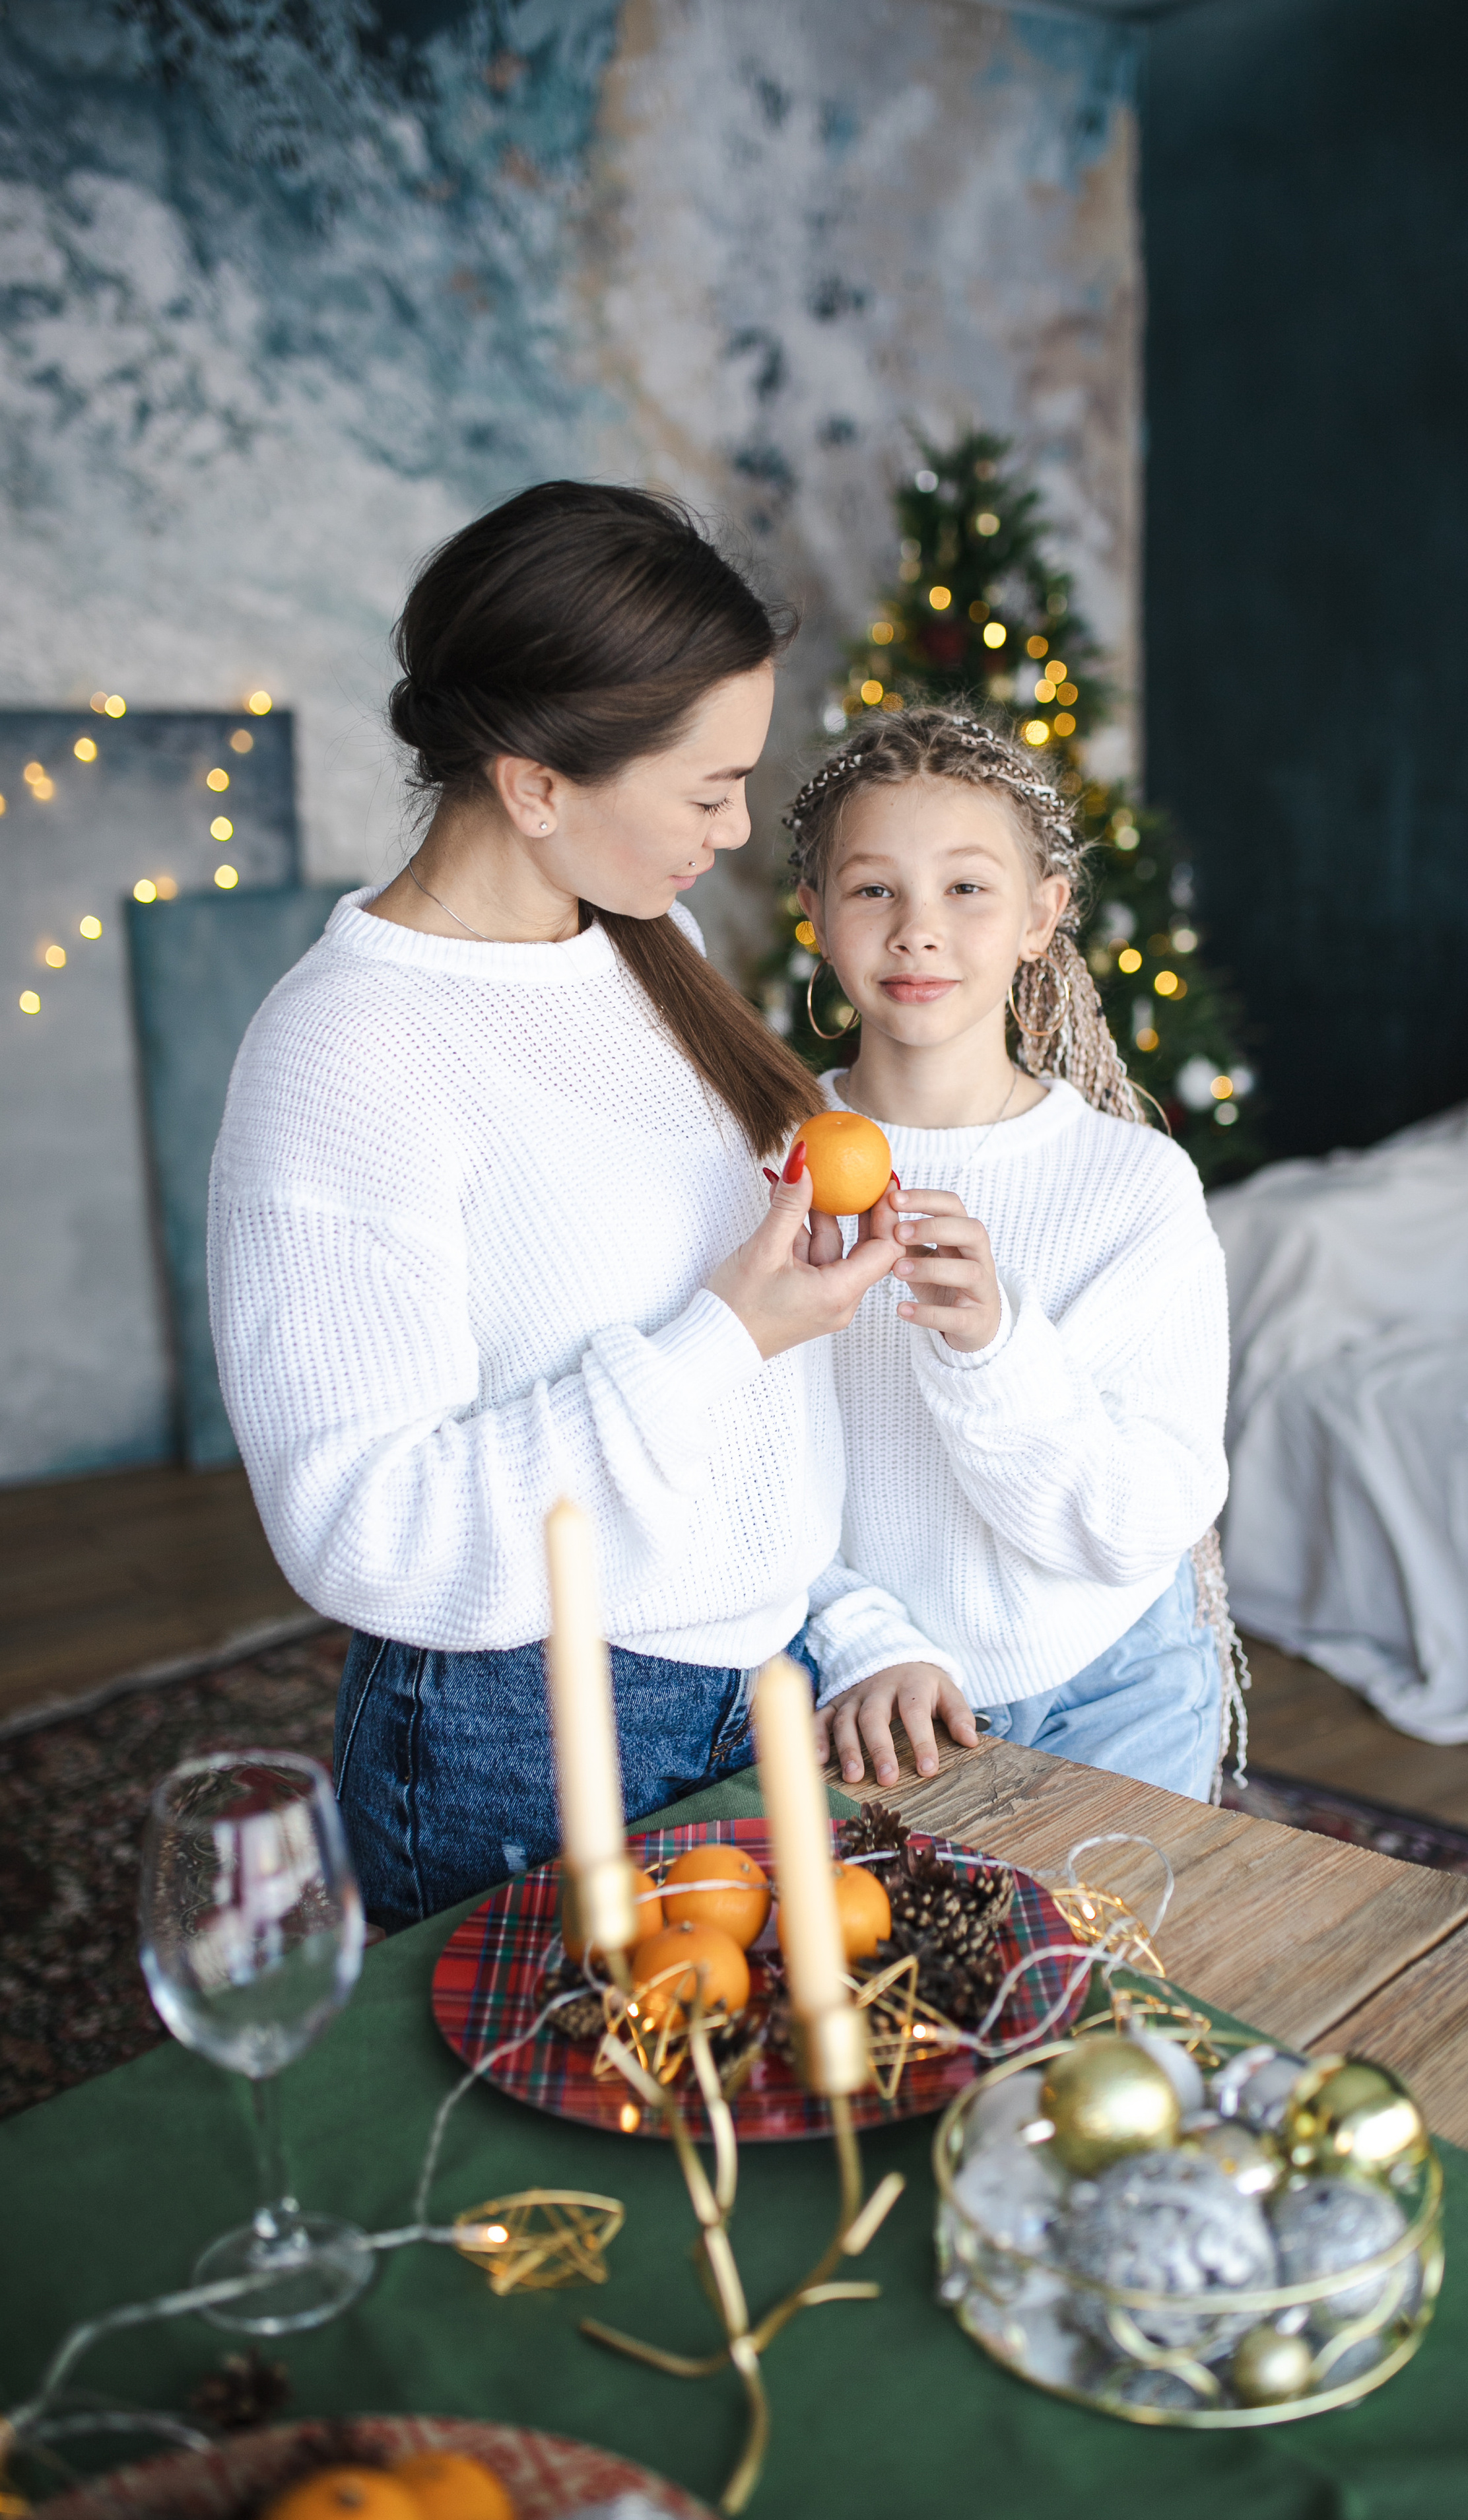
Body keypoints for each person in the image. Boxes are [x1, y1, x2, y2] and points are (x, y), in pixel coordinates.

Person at [209, 483, 948, 1928]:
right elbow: (358, 1524)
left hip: (749, 1685)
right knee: (525, 2149)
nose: (734, 833)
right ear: (534, 783)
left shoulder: (639, 946)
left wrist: (830, 1619)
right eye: (704, 789)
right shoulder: (347, 1053)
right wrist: (723, 1335)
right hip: (516, 1733)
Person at [791, 706, 1245, 1802]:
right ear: (813, 914)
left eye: (966, 888)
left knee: (1113, 1975)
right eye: (872, 889)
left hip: (1114, 1685)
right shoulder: (759, 1165)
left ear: (1043, 914)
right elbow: (727, 1470)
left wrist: (992, 1348)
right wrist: (857, 1638)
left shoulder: (1134, 1188)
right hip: (868, 1688)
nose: (917, 931)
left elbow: (1143, 1517)